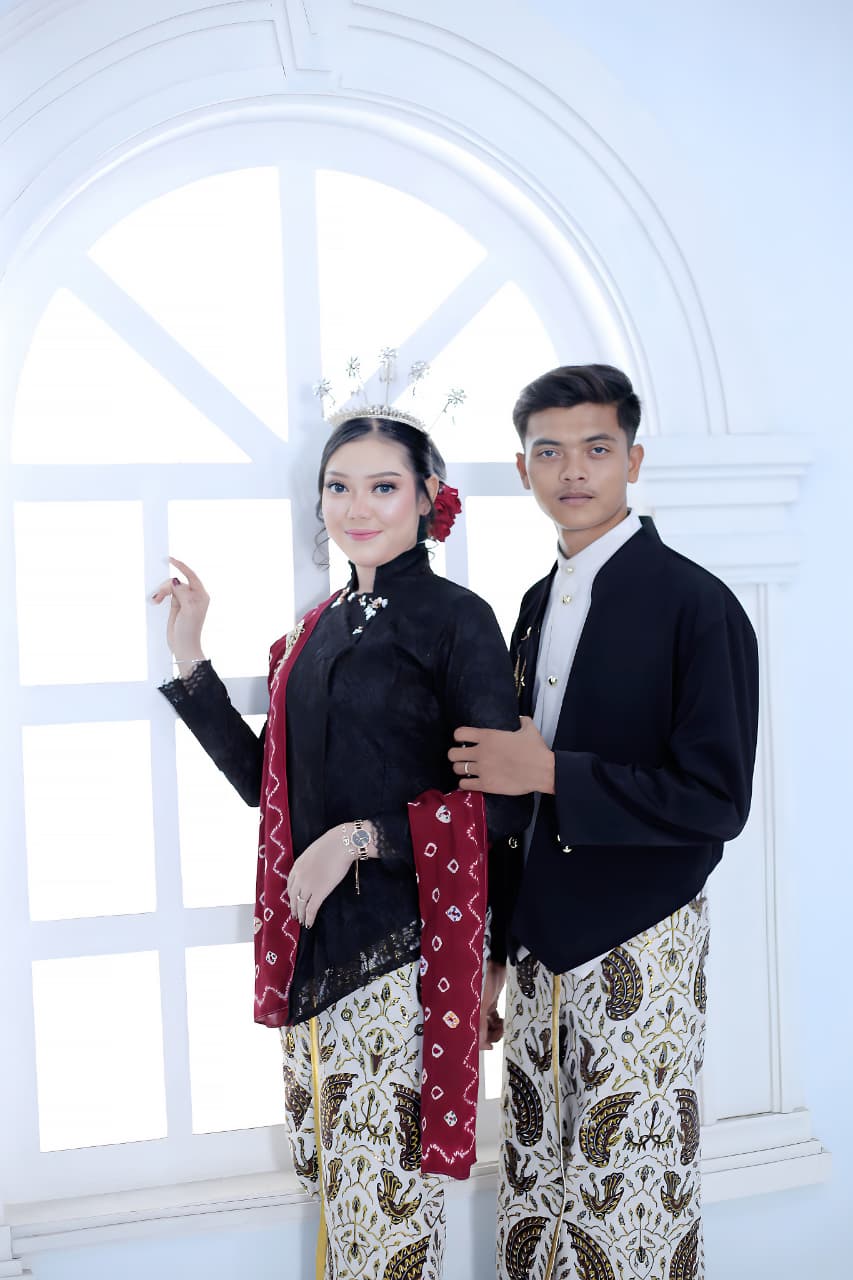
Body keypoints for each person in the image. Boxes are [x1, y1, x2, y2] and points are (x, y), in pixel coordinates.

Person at [152, 409, 530, 1280]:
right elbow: (269, 790)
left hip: (404, 954)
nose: (357, 507)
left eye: (383, 486)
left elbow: (503, 809)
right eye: (338, 487)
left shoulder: (457, 620)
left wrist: (358, 841)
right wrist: (190, 658)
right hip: (315, 956)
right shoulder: (314, 630)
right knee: (344, 1204)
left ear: (428, 497)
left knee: (388, 1216)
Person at [448, 364, 759, 1280]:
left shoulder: (696, 606)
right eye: (549, 452)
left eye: (595, 448)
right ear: (523, 469)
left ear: (633, 458)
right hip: (537, 946)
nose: (572, 470)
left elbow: (717, 800)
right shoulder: (533, 606)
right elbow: (509, 807)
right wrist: (493, 951)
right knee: (535, 1192)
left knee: (627, 1203)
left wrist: (550, 771)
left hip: (641, 943)